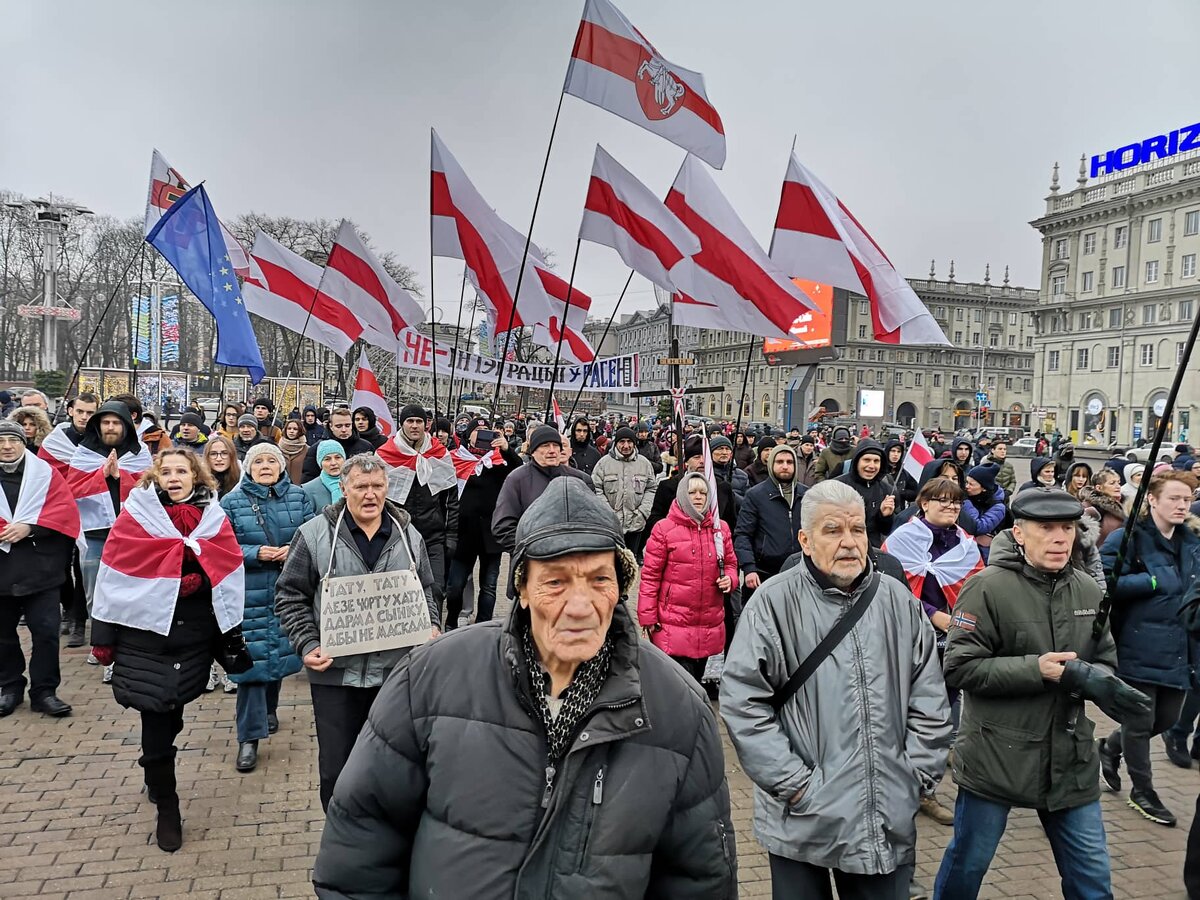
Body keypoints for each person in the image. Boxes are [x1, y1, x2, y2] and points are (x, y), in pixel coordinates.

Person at [312, 476, 736, 897]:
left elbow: (700, 880)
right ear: (522, 589)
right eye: (555, 582)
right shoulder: (430, 678)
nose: (580, 606)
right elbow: (360, 845)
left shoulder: (680, 707)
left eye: (599, 581)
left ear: (620, 586)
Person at [722, 479, 951, 899]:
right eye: (833, 531)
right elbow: (743, 702)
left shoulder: (897, 601)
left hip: (883, 810)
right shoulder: (773, 603)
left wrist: (914, 775)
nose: (849, 542)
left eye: (858, 530)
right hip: (801, 815)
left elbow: (930, 695)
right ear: (805, 541)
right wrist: (794, 784)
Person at [934, 488, 1149, 899]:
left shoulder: (1088, 590)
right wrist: (1036, 669)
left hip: (1070, 758)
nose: (1059, 538)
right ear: (1019, 532)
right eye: (1046, 528)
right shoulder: (985, 587)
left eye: (1067, 528)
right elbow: (959, 667)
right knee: (967, 865)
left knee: (1092, 881)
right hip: (997, 757)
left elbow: (1105, 658)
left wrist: (1096, 680)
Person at [89, 448, 253, 852]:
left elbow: (228, 574)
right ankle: (167, 804)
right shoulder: (135, 517)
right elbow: (113, 577)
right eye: (167, 471)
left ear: (197, 477)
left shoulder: (213, 519)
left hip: (193, 636)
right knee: (157, 721)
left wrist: (199, 584)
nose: (175, 477)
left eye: (183, 470)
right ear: (156, 478)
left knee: (172, 712)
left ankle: (155, 770)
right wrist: (103, 638)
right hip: (145, 638)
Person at [275, 452, 440, 811]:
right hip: (336, 676)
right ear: (344, 489)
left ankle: (384, 841)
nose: (370, 494)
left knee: (393, 765)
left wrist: (432, 623)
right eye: (361, 486)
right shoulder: (314, 534)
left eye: (377, 486)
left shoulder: (407, 533)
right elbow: (289, 595)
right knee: (338, 772)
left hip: (396, 675)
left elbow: (426, 586)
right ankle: (339, 843)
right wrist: (307, 643)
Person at [1098, 469, 1200, 826]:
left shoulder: (1192, 540)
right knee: (1139, 721)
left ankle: (1110, 747)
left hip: (1180, 646)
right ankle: (1143, 791)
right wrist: (1151, 580)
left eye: (1187, 499)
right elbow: (1104, 583)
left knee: (1167, 718)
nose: (1182, 505)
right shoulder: (1129, 538)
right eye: (1174, 497)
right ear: (1152, 499)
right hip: (1137, 642)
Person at [882, 477, 984, 827]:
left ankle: (927, 787)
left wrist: (964, 621)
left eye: (955, 502)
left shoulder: (967, 546)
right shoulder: (902, 540)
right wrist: (932, 614)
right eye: (941, 501)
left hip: (953, 642)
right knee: (907, 715)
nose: (950, 507)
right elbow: (889, 589)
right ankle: (898, 783)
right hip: (910, 640)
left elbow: (977, 589)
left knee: (944, 718)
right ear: (923, 503)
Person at [220, 443, 312, 774]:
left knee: (278, 654)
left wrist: (293, 550)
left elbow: (313, 533)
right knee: (251, 666)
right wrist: (256, 553)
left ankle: (270, 711)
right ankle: (248, 738)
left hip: (289, 590)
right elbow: (220, 544)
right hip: (249, 593)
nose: (264, 466)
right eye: (257, 461)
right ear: (248, 466)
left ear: (281, 466)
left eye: (271, 460)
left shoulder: (299, 497)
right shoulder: (231, 501)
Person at [65, 400, 153, 674]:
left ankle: (124, 649)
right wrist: (101, 475)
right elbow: (71, 491)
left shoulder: (141, 454)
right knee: (95, 594)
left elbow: (150, 492)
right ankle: (102, 646)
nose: (111, 427)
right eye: (106, 422)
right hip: (95, 536)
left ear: (126, 425)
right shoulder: (84, 454)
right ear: (98, 425)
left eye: (116, 422)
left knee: (129, 593)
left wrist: (121, 476)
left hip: (131, 537)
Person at [0, 420, 79, 718]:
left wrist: (30, 527)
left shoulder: (44, 475)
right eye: (2, 440)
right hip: (1, 571)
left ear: (24, 443)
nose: (7, 446)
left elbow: (64, 513)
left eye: (14, 440)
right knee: (3, 634)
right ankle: (10, 687)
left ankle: (44, 691)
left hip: (40, 570)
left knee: (45, 633)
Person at [638, 471, 736, 683]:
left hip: (708, 622)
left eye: (703, 492)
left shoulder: (721, 530)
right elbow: (650, 576)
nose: (698, 497)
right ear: (682, 495)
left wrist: (730, 579)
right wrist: (647, 616)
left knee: (695, 681)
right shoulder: (663, 529)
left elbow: (730, 564)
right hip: (672, 622)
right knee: (678, 683)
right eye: (692, 492)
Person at [377, 405, 458, 621]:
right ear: (401, 424)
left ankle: (434, 640)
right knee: (400, 593)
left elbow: (451, 500)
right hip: (397, 536)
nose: (414, 426)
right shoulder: (385, 454)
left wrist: (451, 536)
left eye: (419, 421)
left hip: (433, 536)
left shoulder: (439, 454)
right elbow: (377, 498)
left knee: (436, 590)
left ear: (426, 424)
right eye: (410, 421)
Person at [446, 418, 522, 629]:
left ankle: (484, 628)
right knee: (455, 586)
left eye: (486, 431)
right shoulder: (455, 458)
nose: (481, 434)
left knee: (488, 587)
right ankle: (451, 624)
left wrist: (507, 449)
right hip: (462, 533)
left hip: (490, 535)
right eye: (477, 430)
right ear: (468, 434)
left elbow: (519, 470)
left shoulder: (498, 461)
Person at [492, 424, 591, 553]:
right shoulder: (516, 479)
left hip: (572, 562)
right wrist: (527, 552)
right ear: (533, 451)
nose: (552, 450)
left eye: (556, 445)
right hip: (533, 563)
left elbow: (590, 520)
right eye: (545, 446)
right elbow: (503, 526)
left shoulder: (578, 479)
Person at [735, 445, 805, 602]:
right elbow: (743, 534)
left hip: (800, 573)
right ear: (771, 464)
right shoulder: (755, 495)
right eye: (780, 461)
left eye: (789, 462)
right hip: (763, 574)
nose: (785, 466)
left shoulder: (806, 495)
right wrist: (748, 568)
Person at [591, 425, 657, 560]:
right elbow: (596, 488)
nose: (626, 446)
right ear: (616, 443)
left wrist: (643, 512)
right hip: (611, 525)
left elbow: (651, 488)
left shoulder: (644, 464)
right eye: (622, 442)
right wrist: (608, 512)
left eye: (629, 442)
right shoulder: (604, 464)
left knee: (630, 566)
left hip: (635, 523)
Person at [835, 440, 896, 547]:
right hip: (842, 546)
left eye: (876, 461)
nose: (872, 466)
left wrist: (885, 516)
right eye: (867, 460)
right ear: (857, 461)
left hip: (872, 551)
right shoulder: (837, 486)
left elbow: (886, 530)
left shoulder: (886, 490)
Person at [300, 407, 373, 483]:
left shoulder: (366, 447)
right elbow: (309, 479)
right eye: (339, 426)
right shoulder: (317, 448)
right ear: (331, 426)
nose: (344, 430)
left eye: (347, 425)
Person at [961, 464, 1010, 561]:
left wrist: (966, 502)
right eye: (966, 482)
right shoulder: (972, 497)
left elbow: (979, 526)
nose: (967, 487)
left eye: (971, 484)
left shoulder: (998, 507)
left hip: (986, 554)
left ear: (983, 488)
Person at [1080, 469, 1127, 544]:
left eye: (1118, 483)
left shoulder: (1127, 505)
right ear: (1099, 488)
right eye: (1112, 483)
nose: (1118, 486)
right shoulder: (1089, 507)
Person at [301, 441, 345, 512]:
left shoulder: (355, 483)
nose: (333, 463)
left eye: (337, 457)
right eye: (327, 459)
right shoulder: (308, 489)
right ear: (320, 464)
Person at [710, 434, 750, 500]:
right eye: (720, 449)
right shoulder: (707, 474)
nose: (724, 452)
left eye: (727, 449)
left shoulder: (742, 475)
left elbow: (748, 501)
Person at [277, 418, 309, 484]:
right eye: (289, 428)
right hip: (281, 487)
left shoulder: (307, 449)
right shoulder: (277, 449)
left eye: (295, 429)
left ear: (300, 430)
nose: (291, 431)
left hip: (300, 487)